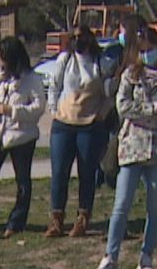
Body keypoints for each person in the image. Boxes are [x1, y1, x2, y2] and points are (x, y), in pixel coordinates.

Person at [94, 26, 157, 269]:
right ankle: (111, 257)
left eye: (150, 50)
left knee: (155, 207)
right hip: (132, 147)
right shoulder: (130, 76)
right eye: (141, 51)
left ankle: (147, 257)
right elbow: (123, 107)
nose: (146, 55)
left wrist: (146, 112)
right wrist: (153, 109)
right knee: (121, 204)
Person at [45, 25, 111, 237]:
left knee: (87, 173)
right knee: (59, 173)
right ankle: (56, 219)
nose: (77, 41)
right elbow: (54, 86)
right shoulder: (65, 60)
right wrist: (54, 109)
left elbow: (112, 92)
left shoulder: (101, 63)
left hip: (90, 124)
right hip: (63, 123)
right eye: (73, 37)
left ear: (90, 39)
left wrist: (102, 113)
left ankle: (83, 218)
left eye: (80, 37)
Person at [0, 37, 44, 237]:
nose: (0, 61)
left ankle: (16, 222)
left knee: (22, 181)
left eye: (3, 58)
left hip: (21, 136)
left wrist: (12, 110)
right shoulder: (1, 76)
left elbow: (38, 108)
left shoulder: (32, 79)